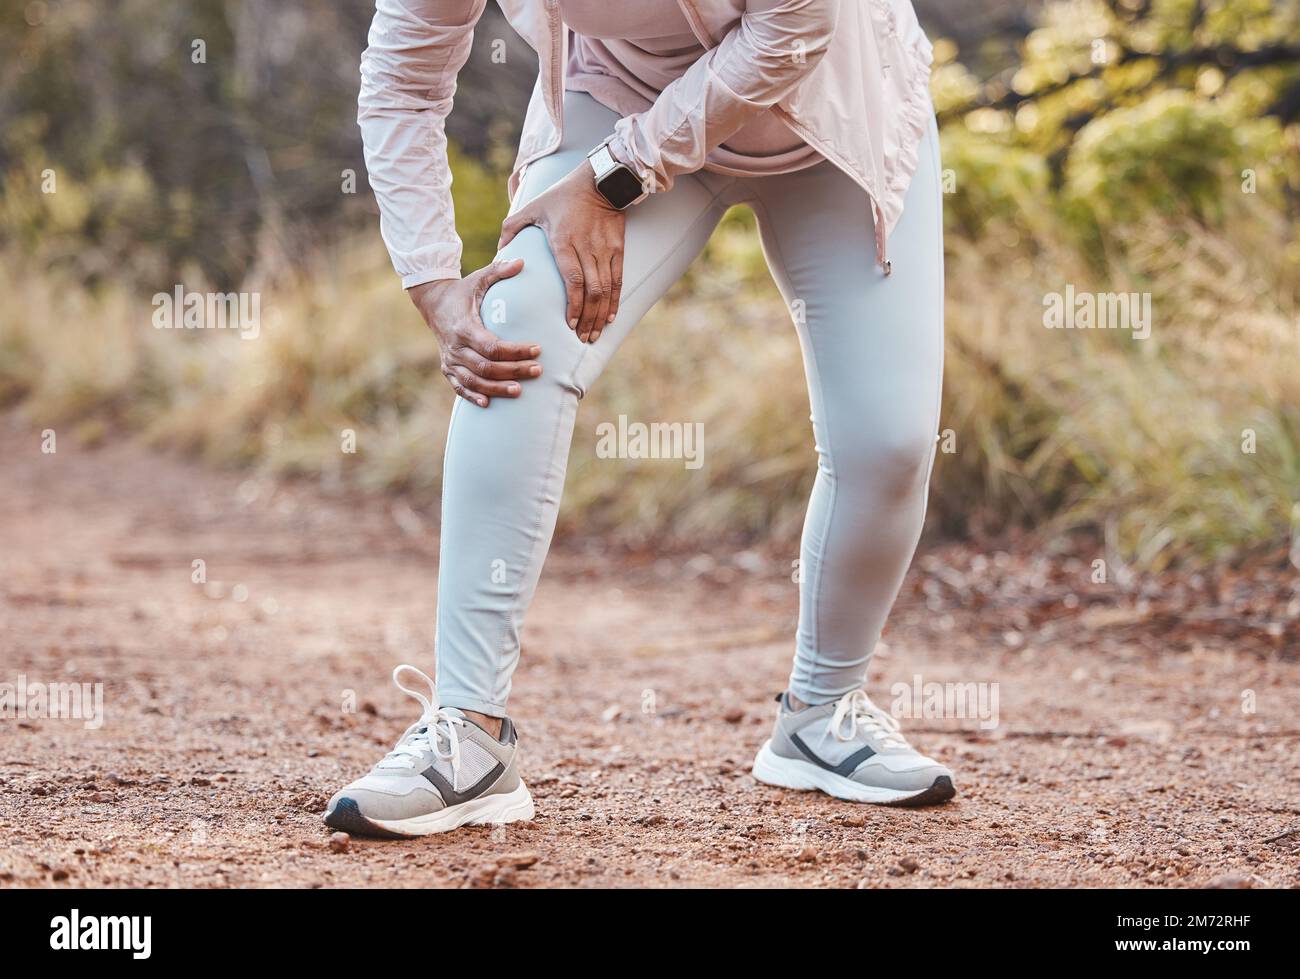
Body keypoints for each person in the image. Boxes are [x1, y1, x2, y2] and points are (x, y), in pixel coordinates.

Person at [324, 0, 954, 839]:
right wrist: (435, 282)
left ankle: (822, 712)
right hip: (618, 95)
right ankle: (468, 737)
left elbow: (794, 31)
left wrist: (613, 177)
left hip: (828, 103)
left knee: (891, 440)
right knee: (513, 328)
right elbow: (404, 82)